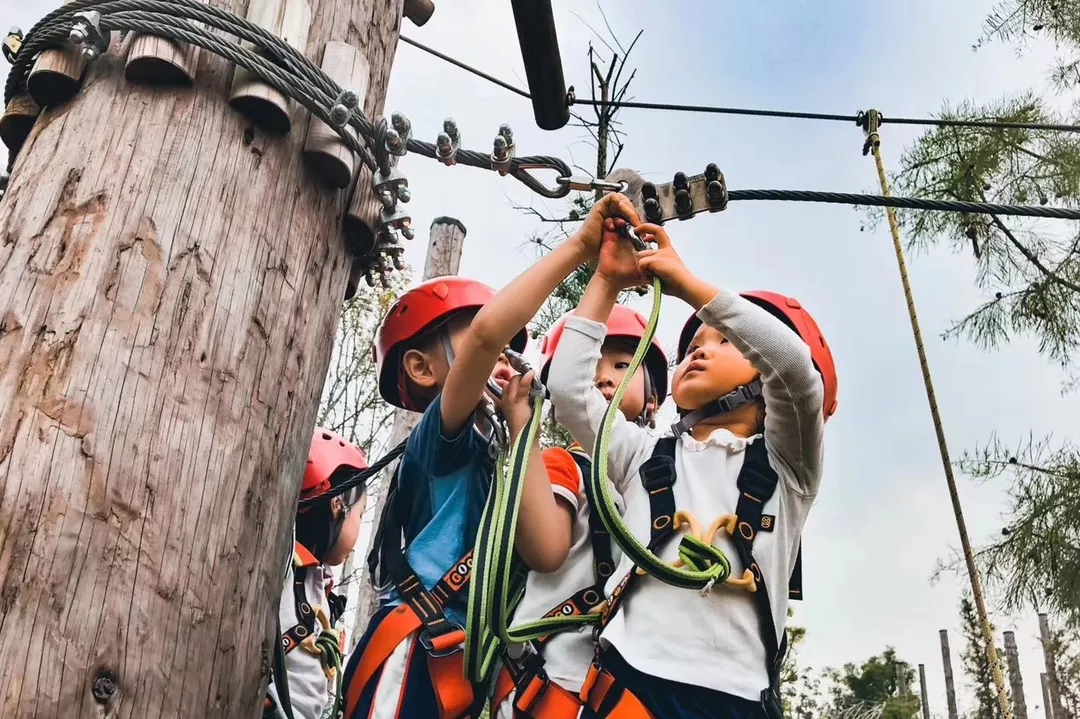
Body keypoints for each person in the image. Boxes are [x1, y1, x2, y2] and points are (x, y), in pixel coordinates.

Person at [342, 192, 642, 719]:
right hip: (417, 646)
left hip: (464, 661)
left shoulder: (495, 449)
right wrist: (581, 248)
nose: (504, 354)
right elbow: (485, 337)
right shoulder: (443, 438)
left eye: (511, 348)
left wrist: (522, 423)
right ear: (421, 368)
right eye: (494, 342)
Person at [546, 216, 838, 719]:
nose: (701, 348)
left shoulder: (789, 468)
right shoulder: (642, 455)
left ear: (762, 380)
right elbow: (570, 393)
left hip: (738, 697)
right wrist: (606, 282)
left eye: (726, 340)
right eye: (691, 348)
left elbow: (794, 370)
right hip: (628, 687)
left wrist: (686, 285)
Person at [491, 305, 670, 719]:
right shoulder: (563, 465)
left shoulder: (661, 488)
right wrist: (522, 427)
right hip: (553, 683)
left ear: (654, 399)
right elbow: (547, 551)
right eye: (589, 370)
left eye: (622, 364)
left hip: (613, 690)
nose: (604, 376)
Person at [265, 428, 368, 719]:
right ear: (338, 505)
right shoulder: (283, 563)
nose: (359, 527)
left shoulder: (316, 584)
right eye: (360, 515)